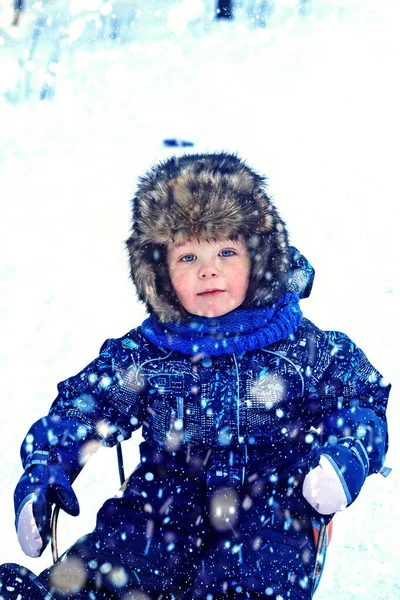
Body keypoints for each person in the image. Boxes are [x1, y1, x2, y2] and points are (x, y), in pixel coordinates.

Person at [0, 153, 390, 599]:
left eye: (226, 251)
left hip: (271, 506)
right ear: (160, 273)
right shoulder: (146, 355)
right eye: (187, 256)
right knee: (110, 566)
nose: (209, 270)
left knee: (248, 579)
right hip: (160, 507)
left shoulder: (305, 350)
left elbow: (360, 400)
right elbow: (84, 406)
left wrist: (346, 459)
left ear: (259, 257)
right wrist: (47, 467)